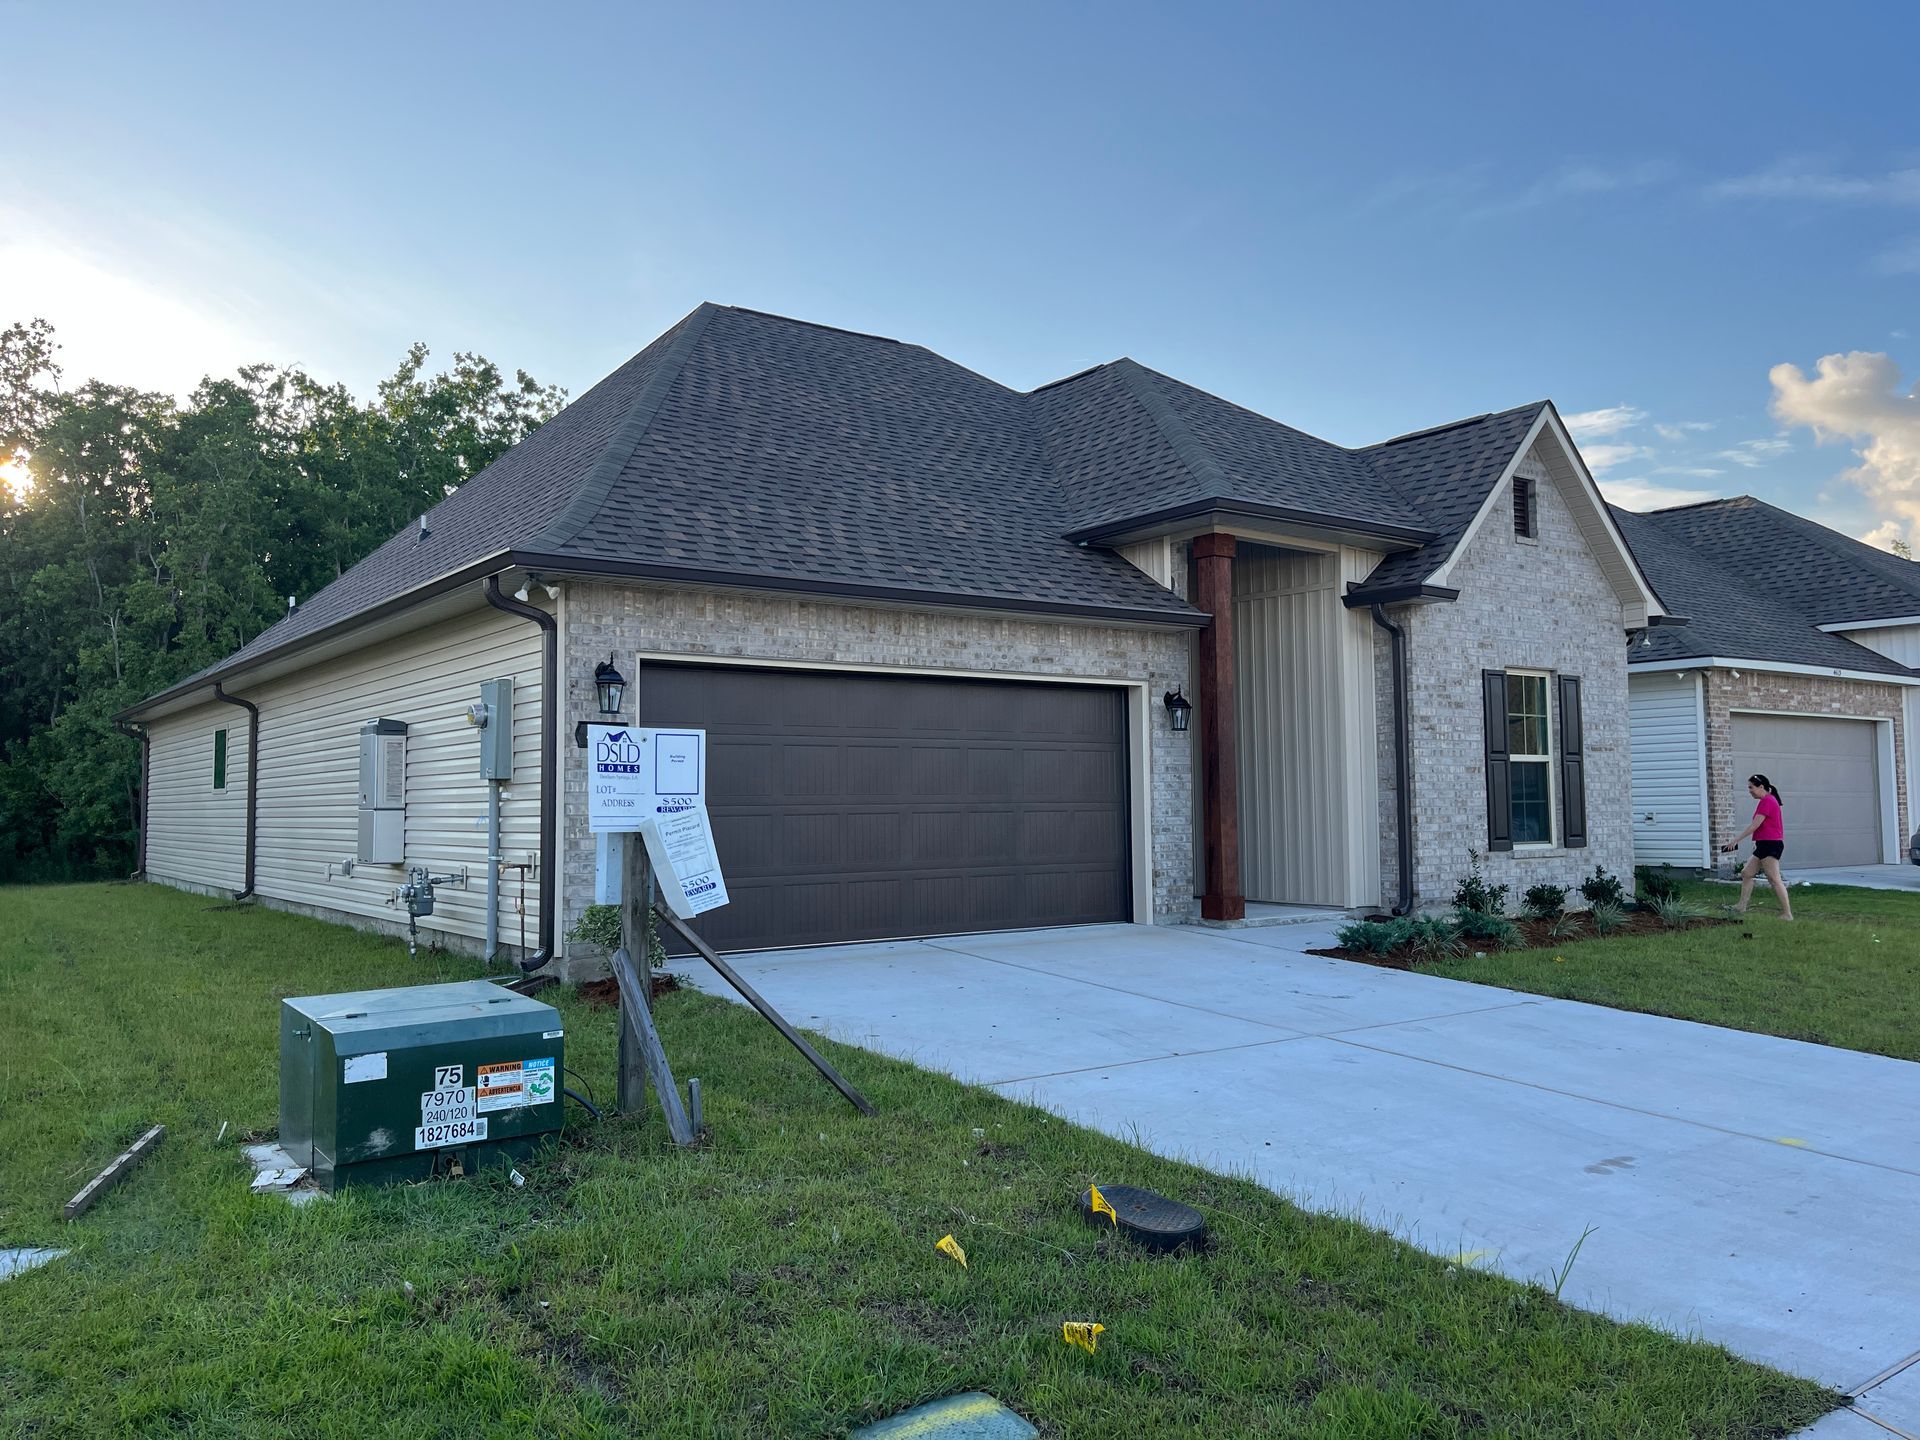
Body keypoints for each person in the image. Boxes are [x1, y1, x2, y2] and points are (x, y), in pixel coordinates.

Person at [1721, 773, 1793, 920]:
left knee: (1774, 879)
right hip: (1764, 844)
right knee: (1747, 873)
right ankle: (1741, 906)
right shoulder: (1767, 801)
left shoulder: (1767, 801)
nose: (1749, 791)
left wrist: (1736, 840)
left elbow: (1755, 825)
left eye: (1751, 787)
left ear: (1761, 787)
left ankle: (1787, 914)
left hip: (1770, 845)